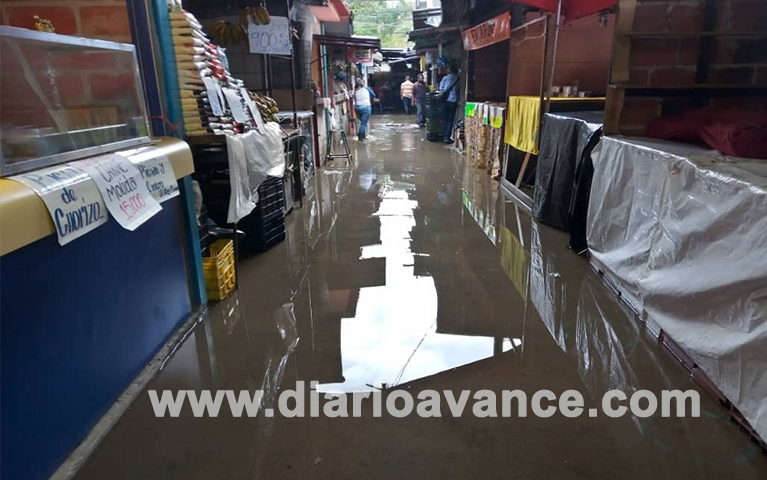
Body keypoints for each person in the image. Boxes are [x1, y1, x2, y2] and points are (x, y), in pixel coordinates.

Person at [439, 65, 460, 143]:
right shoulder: (458, 78)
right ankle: (447, 137)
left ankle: (445, 135)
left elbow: (441, 89)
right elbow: (459, 90)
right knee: (450, 119)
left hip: (444, 101)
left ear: (449, 70)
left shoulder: (445, 78)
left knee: (445, 119)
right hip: (453, 101)